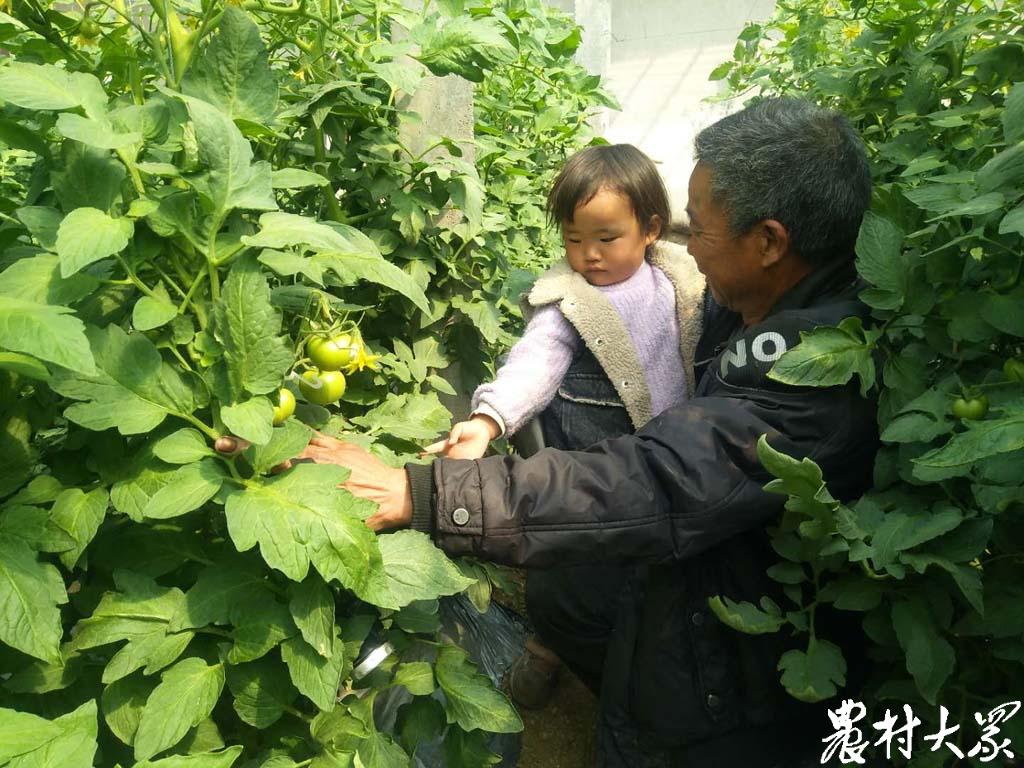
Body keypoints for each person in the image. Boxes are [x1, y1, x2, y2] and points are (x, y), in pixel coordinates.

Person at [286, 96, 879, 767]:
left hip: (725, 698)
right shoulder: (749, 308)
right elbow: (543, 365)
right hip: (671, 625)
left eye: (699, 228)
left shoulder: (819, 376)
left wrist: (425, 493)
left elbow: (658, 480)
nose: (685, 243)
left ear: (769, 242)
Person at [425, 143, 704, 465]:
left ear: (650, 230)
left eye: (607, 239)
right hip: (602, 462)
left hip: (681, 450)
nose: (590, 253)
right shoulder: (570, 302)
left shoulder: (682, 279)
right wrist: (487, 421)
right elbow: (535, 363)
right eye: (574, 239)